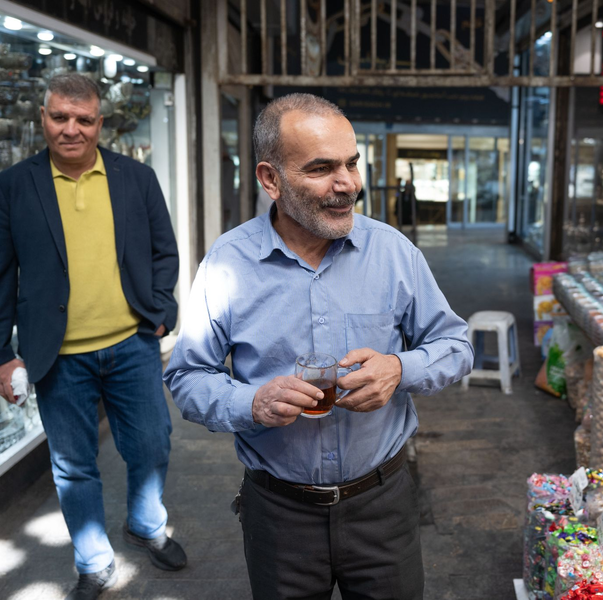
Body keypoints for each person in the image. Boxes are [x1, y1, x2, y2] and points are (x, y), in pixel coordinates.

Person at [164, 93, 473, 600]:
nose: (348, 183)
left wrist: (399, 367)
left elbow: (455, 344)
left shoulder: (394, 253)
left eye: (352, 163)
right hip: (279, 514)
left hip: (383, 506)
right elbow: (186, 377)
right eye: (322, 168)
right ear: (270, 180)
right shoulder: (227, 264)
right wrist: (251, 402)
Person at [0, 73, 186, 600]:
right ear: (43, 118)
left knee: (152, 444)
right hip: (56, 355)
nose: (71, 129)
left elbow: (162, 251)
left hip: (132, 343)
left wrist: (163, 308)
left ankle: (146, 525)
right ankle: (93, 560)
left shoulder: (136, 178)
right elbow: (0, 276)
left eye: (84, 119)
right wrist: (0, 355)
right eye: (60, 117)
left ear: (100, 123)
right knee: (74, 465)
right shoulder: (15, 185)